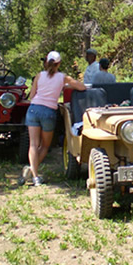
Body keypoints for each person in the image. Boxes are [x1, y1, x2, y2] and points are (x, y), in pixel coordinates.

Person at [20, 51, 86, 186]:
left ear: (46, 62)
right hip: (48, 111)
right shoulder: (63, 77)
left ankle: (34, 174)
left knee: (33, 144)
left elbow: (32, 96)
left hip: (33, 109)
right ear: (59, 63)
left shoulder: (39, 76)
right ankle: (34, 174)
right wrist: (66, 86)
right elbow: (81, 87)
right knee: (44, 146)